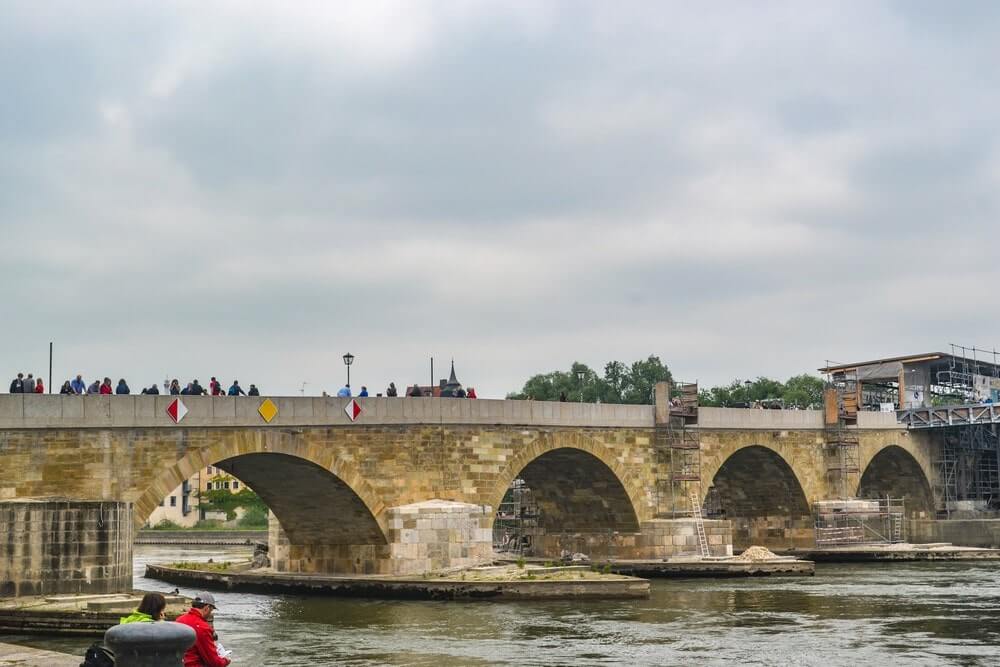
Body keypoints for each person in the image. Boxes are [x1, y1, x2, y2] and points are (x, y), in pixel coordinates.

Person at [175, 592, 230, 667]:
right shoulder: (202, 627)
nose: (210, 613)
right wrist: (226, 661)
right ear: (207, 608)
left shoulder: (179, 620)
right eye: (211, 610)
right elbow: (213, 662)